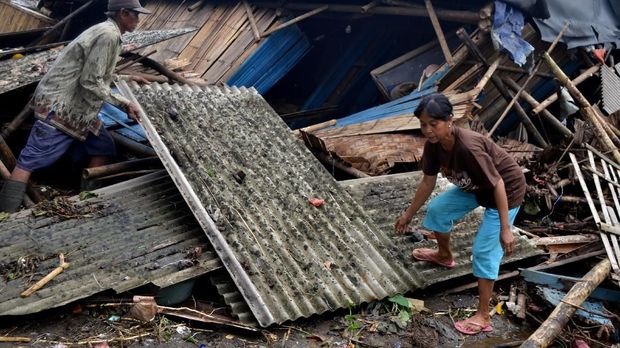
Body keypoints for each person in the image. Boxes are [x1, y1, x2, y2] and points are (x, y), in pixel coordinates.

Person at [0, 0, 151, 212]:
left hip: (79, 108)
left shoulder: (110, 33)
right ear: (123, 13)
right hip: (60, 106)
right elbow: (90, 81)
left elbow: (99, 73)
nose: (138, 20)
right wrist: (124, 103)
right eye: (135, 14)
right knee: (30, 160)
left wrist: (129, 76)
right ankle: (6, 213)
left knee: (103, 145)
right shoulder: (107, 35)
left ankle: (85, 200)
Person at [394, 93, 526, 335]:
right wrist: (408, 215)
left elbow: (497, 184)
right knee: (437, 210)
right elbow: (427, 182)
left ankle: (484, 315)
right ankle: (444, 255)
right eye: (423, 124)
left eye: (434, 124)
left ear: (450, 121)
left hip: (505, 190)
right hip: (475, 187)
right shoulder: (433, 146)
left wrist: (506, 229)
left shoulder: (468, 147)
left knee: (484, 251)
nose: (428, 130)